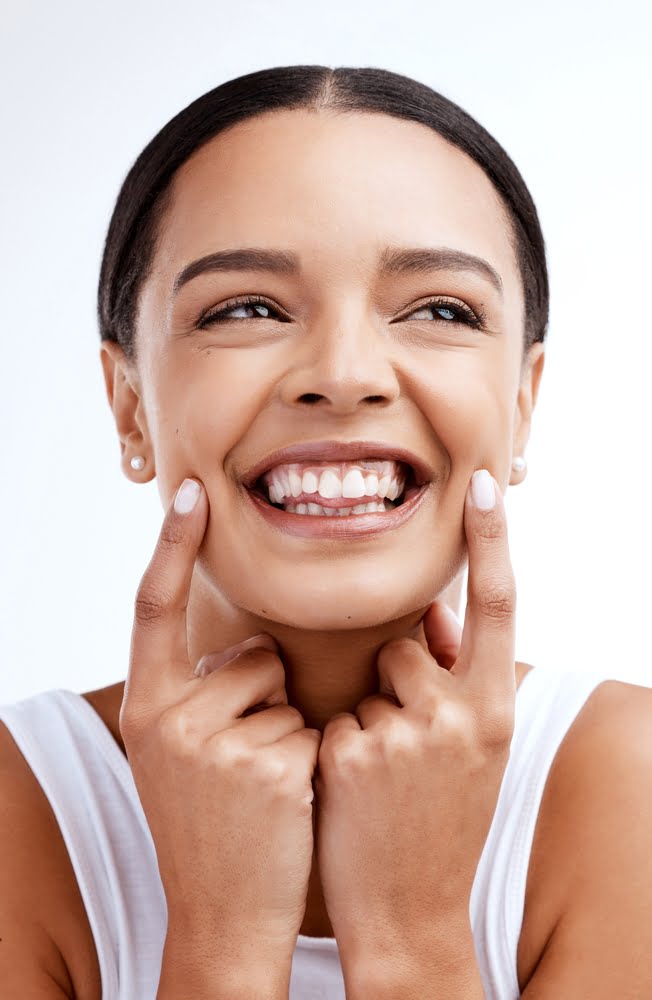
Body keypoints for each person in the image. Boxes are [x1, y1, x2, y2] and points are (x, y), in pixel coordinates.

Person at [1, 64, 650, 1000]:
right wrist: (221, 945)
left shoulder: (629, 787)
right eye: (247, 308)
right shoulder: (24, 810)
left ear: (521, 404)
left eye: (439, 309)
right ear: (130, 407)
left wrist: (412, 939)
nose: (345, 375)